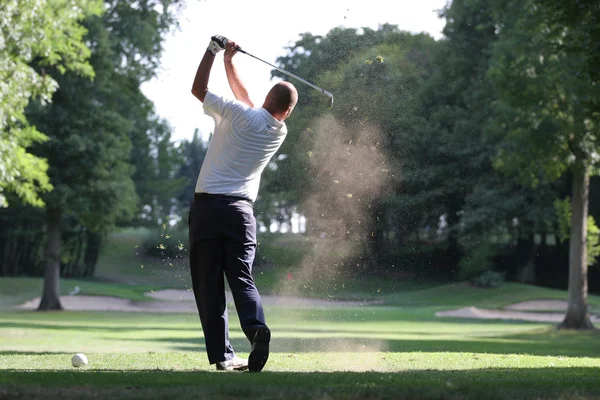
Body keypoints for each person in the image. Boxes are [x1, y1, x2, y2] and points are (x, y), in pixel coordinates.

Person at [188, 35, 298, 372]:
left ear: (266, 97)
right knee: (242, 278)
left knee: (209, 284)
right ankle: (256, 329)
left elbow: (198, 89)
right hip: (240, 213)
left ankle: (222, 356)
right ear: (288, 111)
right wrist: (229, 61)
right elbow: (248, 101)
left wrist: (213, 51)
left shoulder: (236, 113)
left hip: (207, 208)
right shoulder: (278, 131)